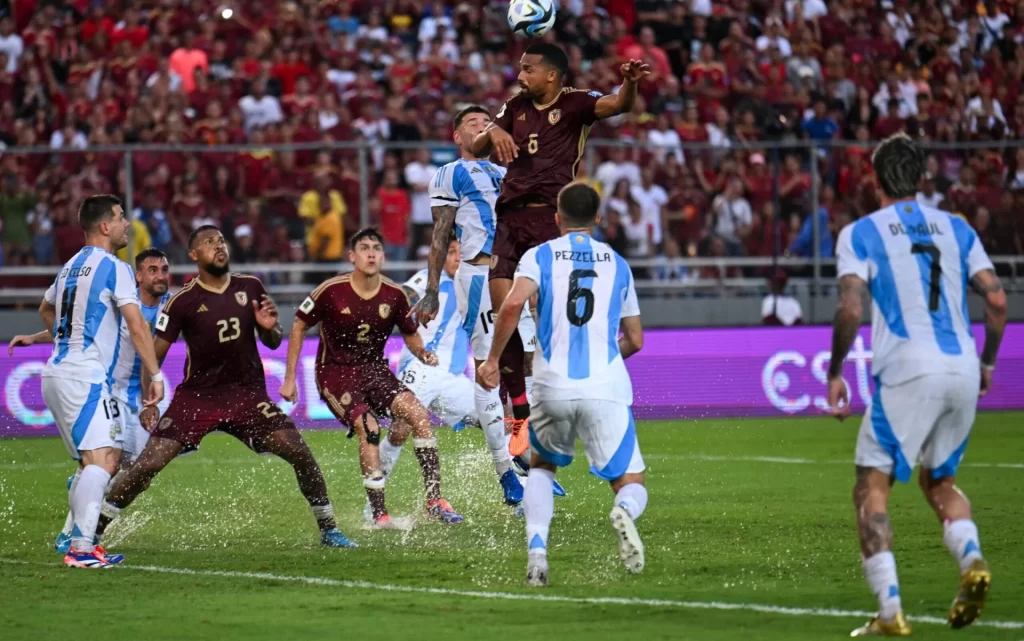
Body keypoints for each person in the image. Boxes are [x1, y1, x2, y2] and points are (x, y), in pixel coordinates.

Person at [827, 134, 1007, 635]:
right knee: (940, 482)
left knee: (872, 485)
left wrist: (835, 370)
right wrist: (988, 365)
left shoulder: (860, 232)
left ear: (875, 178)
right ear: (922, 177)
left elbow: (850, 308)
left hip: (908, 368)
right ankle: (972, 559)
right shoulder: (958, 229)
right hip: (964, 365)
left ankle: (889, 613)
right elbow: (996, 303)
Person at [94, 225, 356, 550]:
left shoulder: (251, 286)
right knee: (148, 463)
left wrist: (270, 328)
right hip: (198, 398)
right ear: (194, 255)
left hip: (247, 396)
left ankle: (329, 529)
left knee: (301, 454)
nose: (218, 247)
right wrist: (150, 400)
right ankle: (94, 530)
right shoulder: (182, 301)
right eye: (208, 243)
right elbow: (153, 356)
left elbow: (273, 341)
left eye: (220, 241)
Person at [470, 43, 650, 455]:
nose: (520, 76)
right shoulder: (513, 107)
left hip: (550, 220)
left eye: (528, 69)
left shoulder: (575, 105)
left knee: (545, 315)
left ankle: (565, 388)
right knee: (505, 313)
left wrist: (629, 82)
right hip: (510, 220)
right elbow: (478, 146)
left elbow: (618, 104)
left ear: (552, 74)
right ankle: (520, 412)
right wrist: (494, 130)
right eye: (520, 68)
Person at [479, 182, 647, 587]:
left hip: (551, 383)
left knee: (541, 468)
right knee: (630, 482)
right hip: (605, 384)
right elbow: (637, 340)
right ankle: (623, 509)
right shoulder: (618, 263)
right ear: (598, 219)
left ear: (556, 217)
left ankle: (537, 555)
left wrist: (493, 359)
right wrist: (604, 357)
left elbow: (513, 304)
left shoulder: (540, 256)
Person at [279, 228, 463, 528]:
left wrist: (422, 353)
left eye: (376, 247)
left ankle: (434, 500)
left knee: (418, 414)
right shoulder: (330, 290)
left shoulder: (394, 294)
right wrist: (289, 379)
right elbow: (299, 325)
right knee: (370, 428)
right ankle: (379, 515)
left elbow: (410, 333)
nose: (371, 253)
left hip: (375, 371)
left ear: (383, 256)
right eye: (363, 248)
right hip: (335, 372)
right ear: (352, 257)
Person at [10, 247, 173, 555]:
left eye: (164, 269)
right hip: (107, 389)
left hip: (137, 399)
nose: (160, 276)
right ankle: (74, 534)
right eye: (153, 270)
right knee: (103, 464)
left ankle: (84, 506)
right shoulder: (122, 302)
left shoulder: (171, 307)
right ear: (138, 275)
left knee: (139, 472)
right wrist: (36, 337)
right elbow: (81, 327)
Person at [39, 195, 165, 568]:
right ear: (106, 226)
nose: (127, 224)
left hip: (57, 372)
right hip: (86, 375)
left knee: (92, 463)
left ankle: (73, 541)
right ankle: (80, 549)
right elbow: (137, 324)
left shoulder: (69, 267)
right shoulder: (116, 268)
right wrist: (155, 375)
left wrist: (67, 342)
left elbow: (46, 308)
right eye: (121, 217)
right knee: (105, 461)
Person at [396, 236, 524, 507]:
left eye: (460, 252)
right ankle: (375, 504)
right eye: (450, 252)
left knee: (499, 422)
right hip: (420, 367)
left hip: (452, 379)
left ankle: (521, 490)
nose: (455, 257)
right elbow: (402, 295)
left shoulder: (473, 285)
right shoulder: (426, 281)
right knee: (400, 429)